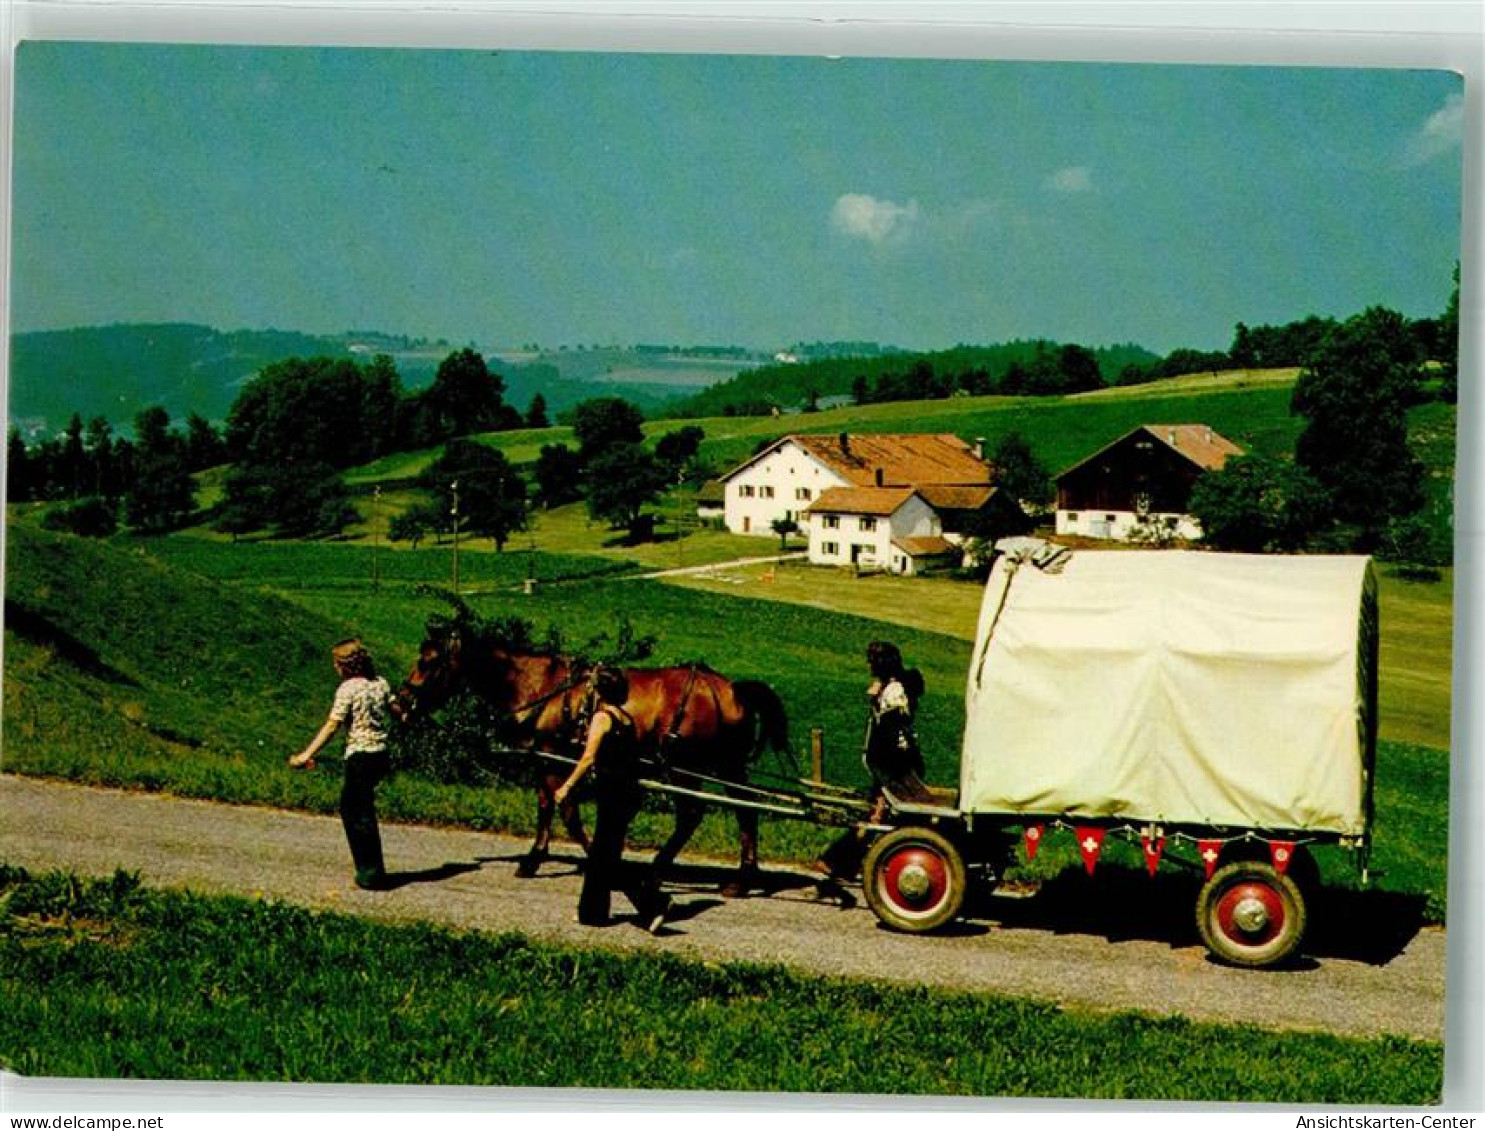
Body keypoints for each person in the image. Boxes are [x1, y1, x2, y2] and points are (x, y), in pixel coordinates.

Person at [554, 667, 670, 932]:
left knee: (605, 857)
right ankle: (592, 912)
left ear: (598, 690)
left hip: (612, 792)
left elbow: (589, 757)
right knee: (602, 853)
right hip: (627, 792)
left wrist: (567, 787)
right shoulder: (626, 718)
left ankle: (654, 903)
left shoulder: (602, 718)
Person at [289, 638, 396, 891]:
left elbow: (332, 725)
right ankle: (372, 868)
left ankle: (370, 872)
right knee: (362, 807)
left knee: (355, 811)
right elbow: (396, 710)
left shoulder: (347, 689)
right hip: (381, 753)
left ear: (344, 666)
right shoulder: (380, 683)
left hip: (360, 755)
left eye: (336, 664)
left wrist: (306, 755)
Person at [815, 640, 926, 882]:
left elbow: (890, 727)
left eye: (871, 661)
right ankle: (845, 862)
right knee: (875, 814)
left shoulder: (893, 691)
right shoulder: (896, 685)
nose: (868, 665)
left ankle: (835, 860)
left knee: (875, 816)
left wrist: (876, 701)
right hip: (895, 761)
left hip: (891, 762)